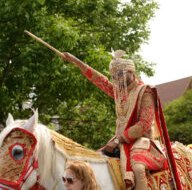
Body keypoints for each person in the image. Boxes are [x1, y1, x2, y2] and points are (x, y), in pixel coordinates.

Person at [61, 50, 166, 190]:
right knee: (93, 160)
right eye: (114, 75)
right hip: (119, 140)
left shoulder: (145, 91)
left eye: (120, 74)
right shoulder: (119, 92)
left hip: (141, 140)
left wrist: (118, 140)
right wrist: (76, 61)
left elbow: (144, 124)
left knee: (137, 167)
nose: (117, 78)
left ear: (131, 72)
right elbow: (100, 80)